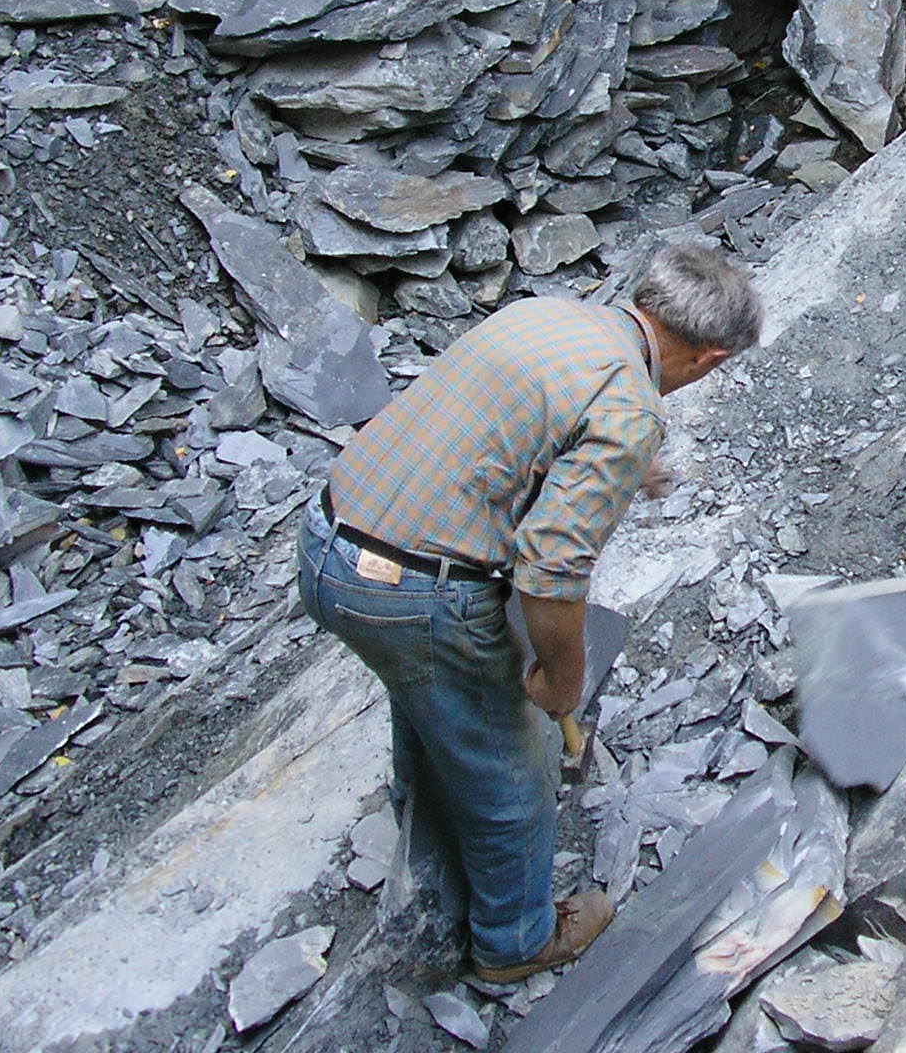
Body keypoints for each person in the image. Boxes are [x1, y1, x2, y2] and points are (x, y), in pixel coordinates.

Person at [297, 241, 762, 983]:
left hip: (328, 542)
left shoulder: (546, 317)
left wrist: (628, 456)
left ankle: (429, 817)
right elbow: (550, 569)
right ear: (709, 359)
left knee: (432, 690)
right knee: (514, 770)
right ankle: (514, 944)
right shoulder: (628, 408)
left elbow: (519, 418)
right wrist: (560, 674)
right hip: (409, 594)